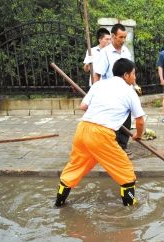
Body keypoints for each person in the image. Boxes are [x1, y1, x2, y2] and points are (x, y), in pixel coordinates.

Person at [54, 58, 145, 207]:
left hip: (82, 129)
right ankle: (130, 209)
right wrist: (138, 135)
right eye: (134, 74)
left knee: (75, 167)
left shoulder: (99, 85)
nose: (135, 77)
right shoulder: (130, 92)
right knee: (126, 171)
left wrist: (101, 108)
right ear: (126, 75)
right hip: (101, 134)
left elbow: (83, 106)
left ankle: (59, 203)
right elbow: (140, 121)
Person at [93, 23, 134, 155]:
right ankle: (110, 147)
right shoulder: (105, 53)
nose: (122, 40)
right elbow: (97, 74)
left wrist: (134, 85)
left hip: (125, 92)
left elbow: (131, 71)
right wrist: (95, 93)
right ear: (113, 36)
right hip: (110, 94)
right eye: (120, 37)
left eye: (124, 37)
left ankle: (122, 146)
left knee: (126, 120)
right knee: (111, 122)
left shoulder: (126, 51)